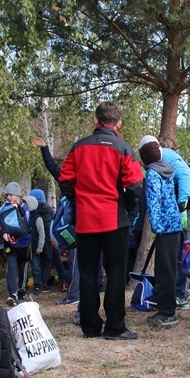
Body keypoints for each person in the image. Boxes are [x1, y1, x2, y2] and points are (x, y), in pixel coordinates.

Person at [58, 100, 143, 341]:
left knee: (87, 272)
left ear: (96, 121)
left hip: (86, 220)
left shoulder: (78, 148)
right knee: (116, 272)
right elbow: (135, 185)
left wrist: (78, 201)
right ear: (119, 123)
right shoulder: (124, 148)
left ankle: (90, 326)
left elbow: (64, 180)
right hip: (114, 219)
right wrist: (126, 207)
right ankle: (115, 327)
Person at [137, 135, 190, 311]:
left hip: (163, 228)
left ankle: (166, 311)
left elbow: (154, 204)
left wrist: (156, 227)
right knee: (170, 268)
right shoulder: (167, 168)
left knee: (163, 270)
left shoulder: (153, 173)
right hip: (175, 225)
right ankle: (168, 305)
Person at [0, 182, 32, 306]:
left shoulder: (25, 208)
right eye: (7, 195)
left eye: (10, 195)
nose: (8, 197)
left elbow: (27, 225)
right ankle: (12, 293)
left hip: (24, 243)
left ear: (17, 195)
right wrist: (4, 234)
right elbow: (0, 220)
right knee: (11, 267)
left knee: (23, 267)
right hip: (10, 244)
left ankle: (21, 289)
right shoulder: (5, 206)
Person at [28, 190, 54, 295]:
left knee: (36, 263)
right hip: (47, 238)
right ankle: (44, 283)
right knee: (47, 261)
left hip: (35, 239)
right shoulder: (49, 210)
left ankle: (38, 283)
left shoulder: (32, 210)